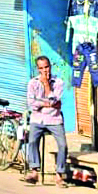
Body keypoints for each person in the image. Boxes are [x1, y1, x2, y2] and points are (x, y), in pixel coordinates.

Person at [25, 55, 68, 186]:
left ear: (50, 67)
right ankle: (34, 171)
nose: (45, 71)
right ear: (38, 69)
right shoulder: (32, 83)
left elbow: (55, 101)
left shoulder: (58, 82)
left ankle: (59, 174)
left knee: (63, 145)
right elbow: (32, 103)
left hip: (54, 119)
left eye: (47, 67)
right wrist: (48, 104)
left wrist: (46, 85)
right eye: (42, 68)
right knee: (32, 141)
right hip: (37, 118)